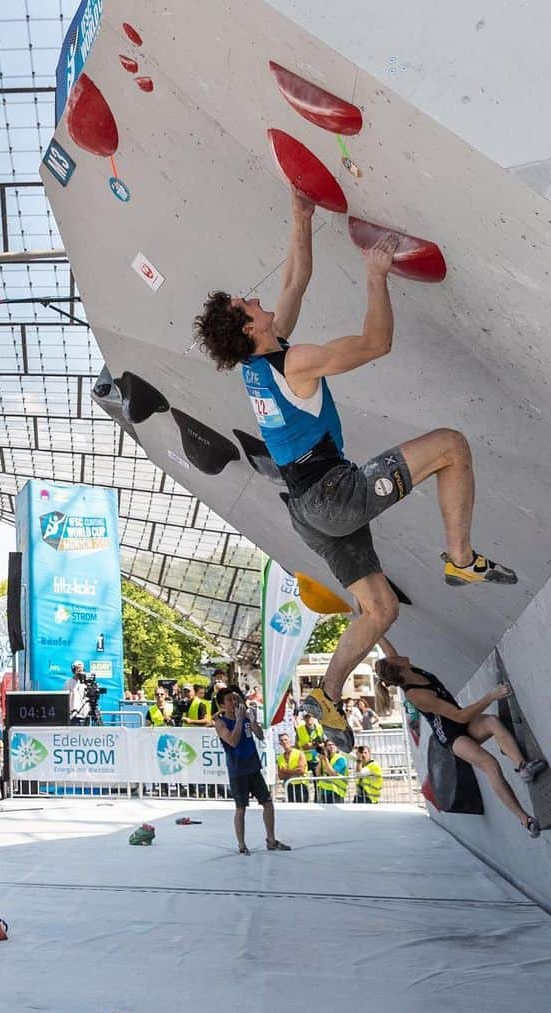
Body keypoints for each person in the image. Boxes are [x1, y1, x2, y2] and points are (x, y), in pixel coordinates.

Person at [194, 190, 517, 748]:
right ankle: (461, 559)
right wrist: (376, 274)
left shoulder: (258, 365)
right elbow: (376, 343)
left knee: (380, 608)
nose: (254, 298)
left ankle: (329, 691)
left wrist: (300, 216)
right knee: (452, 446)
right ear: (250, 329)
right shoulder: (291, 360)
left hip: (305, 512)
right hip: (332, 494)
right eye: (247, 305)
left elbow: (294, 283)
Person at [374, 641, 544, 836]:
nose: (398, 654)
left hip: (462, 723)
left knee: (492, 722)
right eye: (395, 658)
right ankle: (525, 820)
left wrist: (373, 621)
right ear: (398, 669)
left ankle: (523, 768)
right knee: (490, 765)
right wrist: (491, 697)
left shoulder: (406, 669)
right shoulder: (417, 695)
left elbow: (388, 649)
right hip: (451, 736)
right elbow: (460, 716)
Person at [212, 689, 289, 854]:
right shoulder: (221, 722)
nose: (234, 703)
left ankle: (271, 839)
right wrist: (239, 721)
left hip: (253, 766)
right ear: (222, 704)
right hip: (237, 769)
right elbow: (232, 741)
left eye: (235, 699)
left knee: (268, 803)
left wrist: (253, 721)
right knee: (241, 808)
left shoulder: (245, 716)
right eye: (230, 700)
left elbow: (260, 736)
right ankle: (241, 844)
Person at [276, 733, 310, 803]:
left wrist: (286, 771)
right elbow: (281, 776)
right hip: (289, 786)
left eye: (286, 740)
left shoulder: (299, 753)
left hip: (301, 785)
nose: (284, 742)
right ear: (280, 743)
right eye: (282, 740)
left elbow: (301, 771)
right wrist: (294, 772)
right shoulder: (280, 758)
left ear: (290, 740)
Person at [315, 739, 348, 804]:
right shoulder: (325, 758)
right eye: (329, 745)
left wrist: (325, 759)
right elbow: (318, 774)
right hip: (323, 791)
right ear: (326, 747)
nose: (332, 746)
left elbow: (332, 773)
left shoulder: (340, 759)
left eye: (334, 745)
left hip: (336, 792)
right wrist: (321, 760)